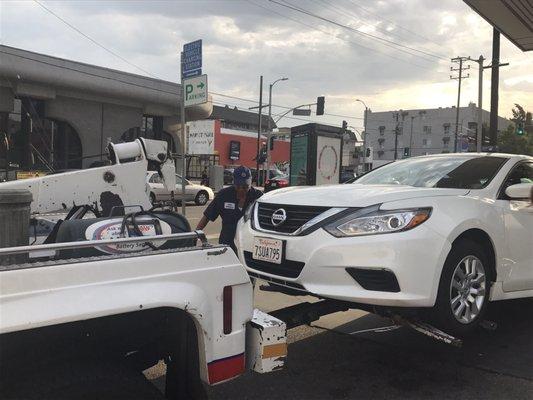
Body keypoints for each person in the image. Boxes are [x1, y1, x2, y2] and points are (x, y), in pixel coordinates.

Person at [196, 166, 262, 253]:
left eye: (245, 187)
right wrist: (196, 234)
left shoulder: (258, 197)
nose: (241, 189)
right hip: (227, 244)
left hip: (249, 246)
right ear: (234, 183)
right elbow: (207, 216)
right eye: (238, 186)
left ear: (251, 183)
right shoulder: (224, 195)